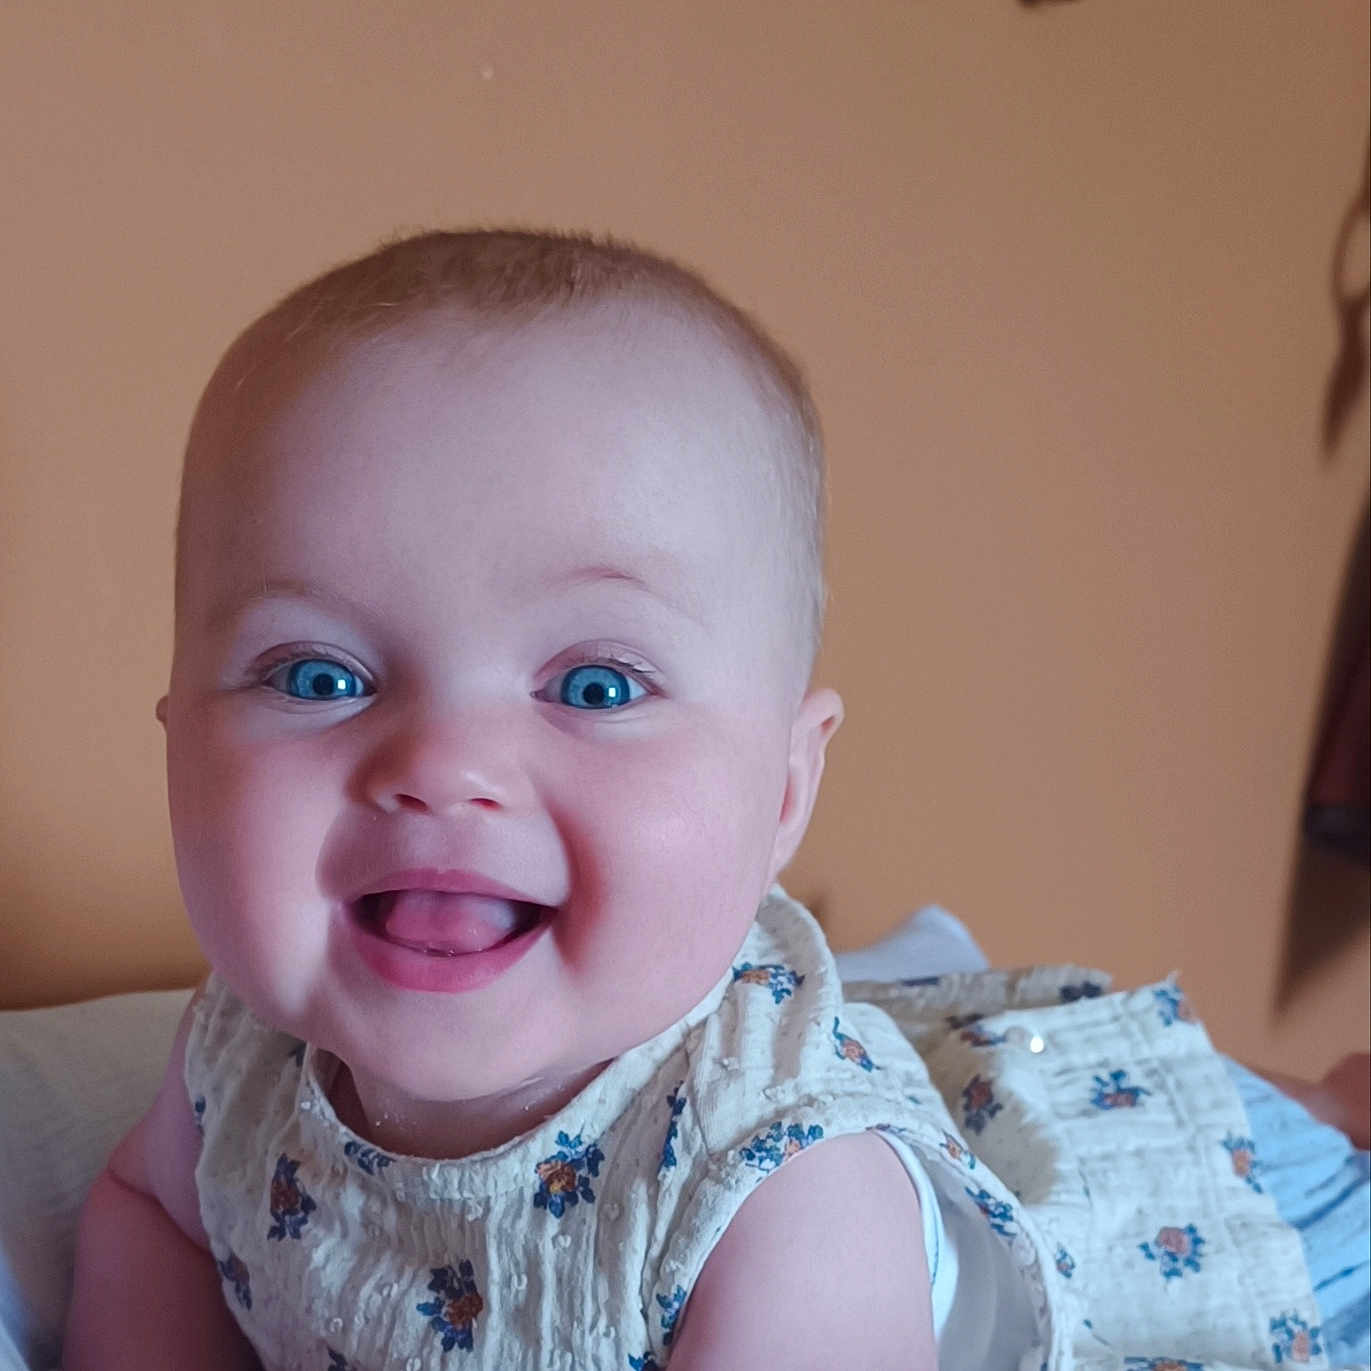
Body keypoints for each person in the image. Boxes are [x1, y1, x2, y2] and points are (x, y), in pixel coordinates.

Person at [63, 231, 1327, 1371]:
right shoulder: (240, 1049)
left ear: (782, 792)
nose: (443, 764)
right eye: (319, 675)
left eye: (598, 684)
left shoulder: (787, 1201)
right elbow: (151, 1215)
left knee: (1264, 1147)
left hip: (1111, 1239)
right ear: (178, 735)